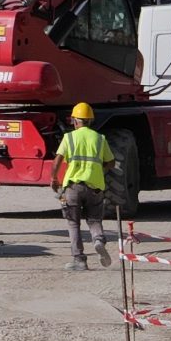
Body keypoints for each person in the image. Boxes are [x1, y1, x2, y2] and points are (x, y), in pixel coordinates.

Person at [52, 102, 115, 271]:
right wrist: (99, 170)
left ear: (75, 120)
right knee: (94, 219)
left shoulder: (69, 138)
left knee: (73, 223)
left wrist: (53, 179)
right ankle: (98, 240)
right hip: (95, 187)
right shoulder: (100, 138)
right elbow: (111, 162)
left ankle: (79, 260)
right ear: (90, 120)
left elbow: (57, 161)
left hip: (73, 187)